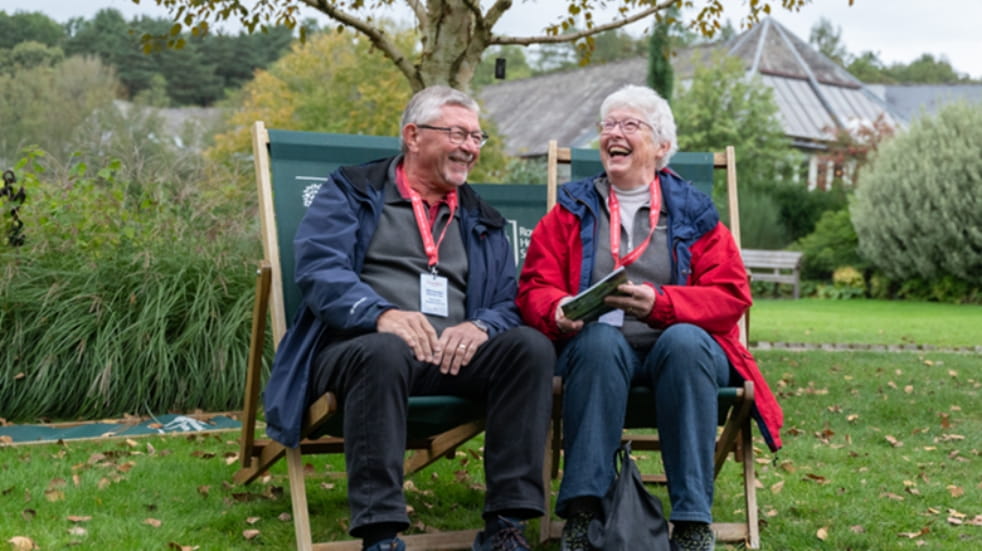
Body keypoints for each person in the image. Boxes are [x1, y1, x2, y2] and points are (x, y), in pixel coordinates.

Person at [263, 85, 555, 551]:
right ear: (413, 136)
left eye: (478, 137)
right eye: (458, 134)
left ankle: (506, 524)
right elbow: (320, 270)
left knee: (530, 348)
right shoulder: (351, 190)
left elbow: (508, 301)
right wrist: (380, 314)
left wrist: (479, 327)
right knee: (387, 348)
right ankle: (380, 533)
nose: (470, 147)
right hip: (357, 350)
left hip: (451, 359)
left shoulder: (482, 219)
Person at [516, 85, 783, 551]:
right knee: (599, 343)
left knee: (684, 342)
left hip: (681, 356)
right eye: (608, 126)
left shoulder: (693, 214)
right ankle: (584, 512)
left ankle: (693, 521)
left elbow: (730, 296)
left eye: (629, 125)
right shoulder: (571, 212)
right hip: (595, 354)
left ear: (661, 147)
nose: (614, 134)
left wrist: (660, 304)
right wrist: (557, 309)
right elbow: (534, 285)